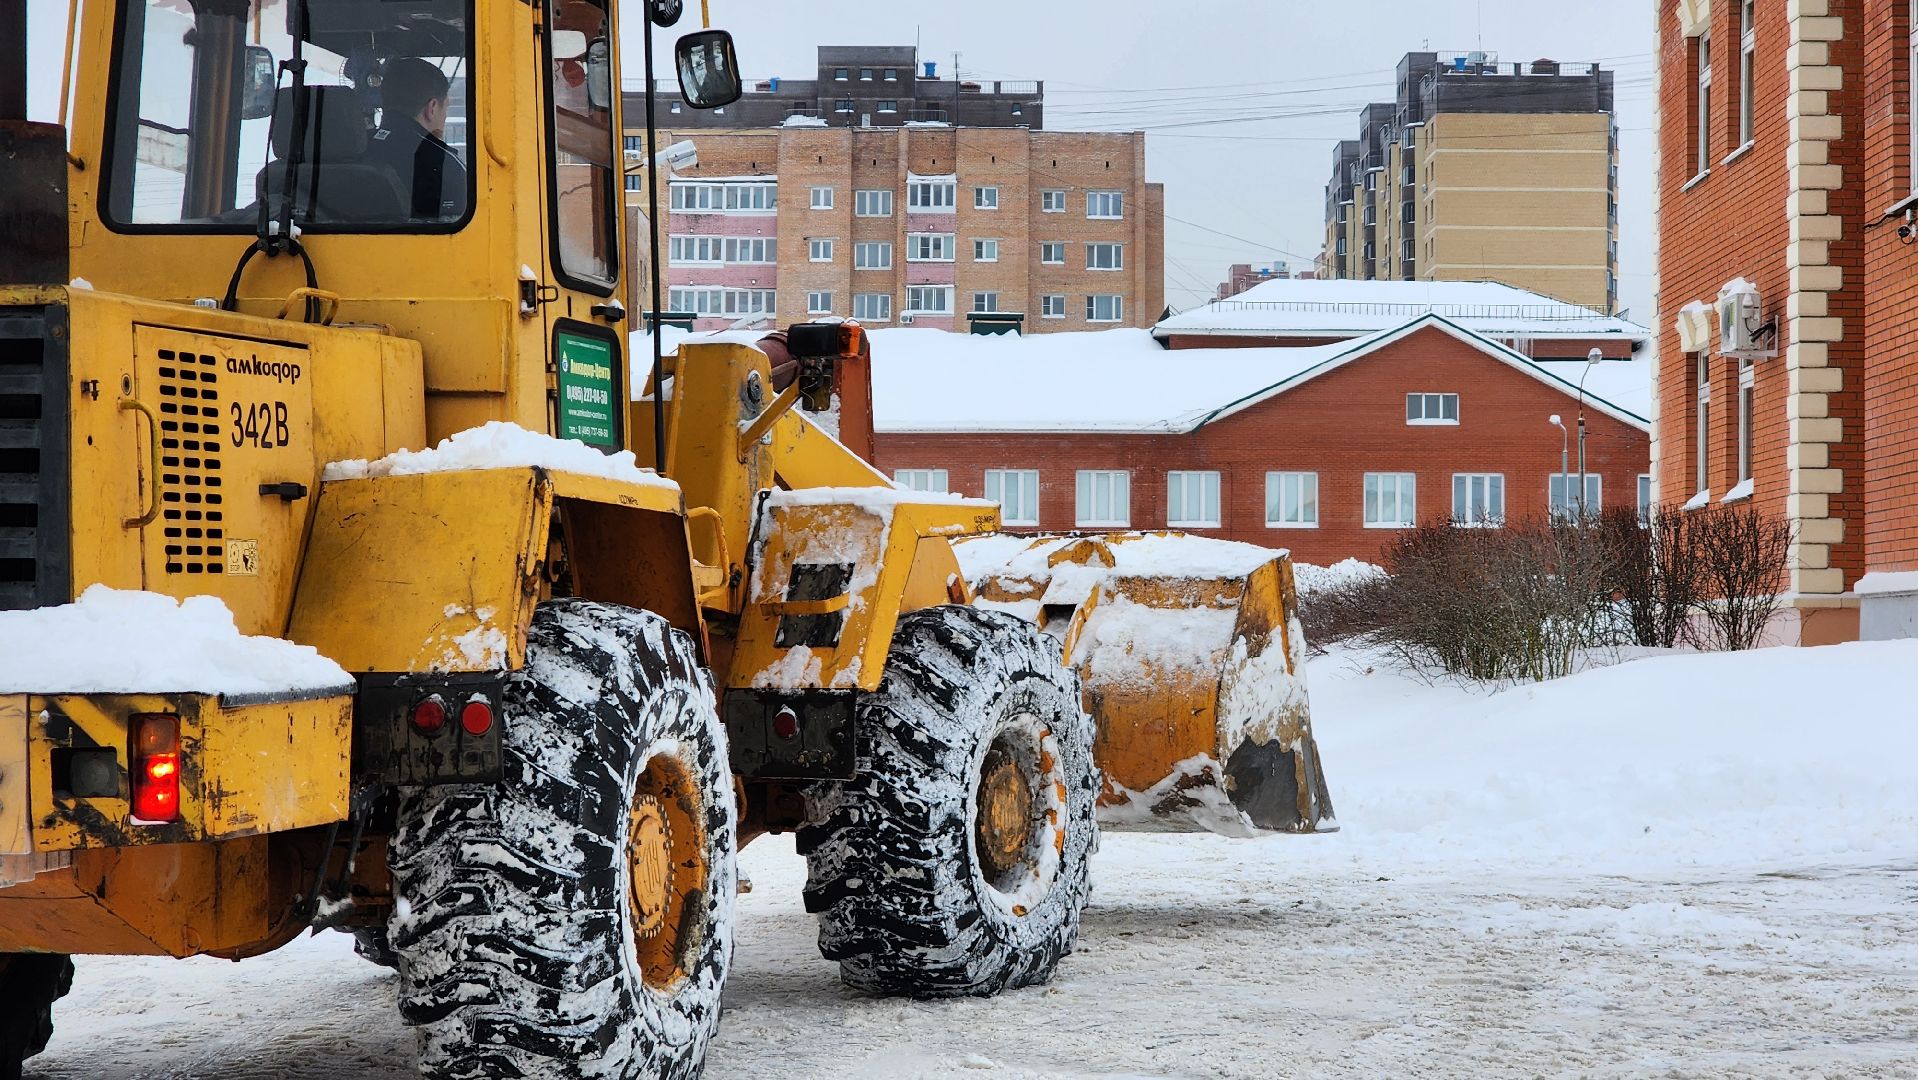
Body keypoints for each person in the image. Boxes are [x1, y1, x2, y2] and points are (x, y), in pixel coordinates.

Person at [363, 56, 466, 220]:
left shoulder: (358, 148)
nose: (445, 116)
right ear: (432, 108)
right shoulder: (444, 165)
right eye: (445, 108)